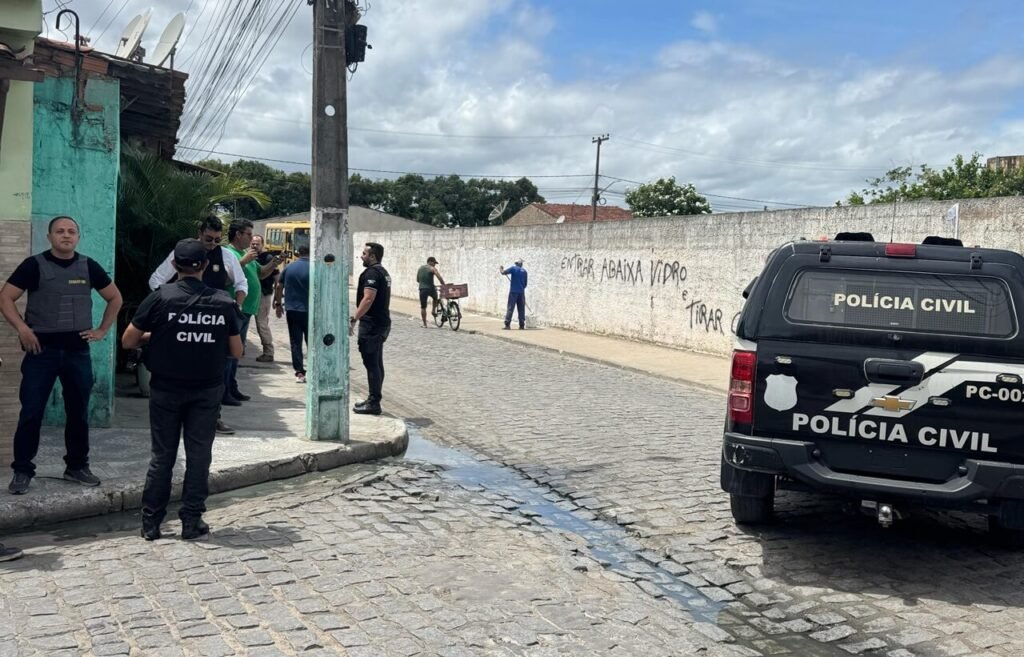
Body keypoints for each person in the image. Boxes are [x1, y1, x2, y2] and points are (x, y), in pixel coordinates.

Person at [122, 239, 242, 541]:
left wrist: (158, 335)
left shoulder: (161, 297)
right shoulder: (223, 302)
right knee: (199, 455)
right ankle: (191, 521)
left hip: (165, 389)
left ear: (174, 265)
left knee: (162, 457)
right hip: (206, 391)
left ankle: (151, 524)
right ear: (204, 266)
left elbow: (128, 340)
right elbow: (236, 351)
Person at [1, 216, 123, 495]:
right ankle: (22, 470)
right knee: (31, 412)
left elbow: (115, 298)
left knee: (78, 412)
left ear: (78, 237)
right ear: (50, 237)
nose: (66, 236)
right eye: (60, 231)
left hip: (77, 352)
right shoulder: (34, 265)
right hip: (40, 351)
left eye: (71, 232)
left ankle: (77, 466)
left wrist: (102, 330)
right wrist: (22, 328)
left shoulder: (88, 266)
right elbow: (5, 297)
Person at [148, 216, 245, 435]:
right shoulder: (180, 255)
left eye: (216, 240)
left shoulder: (226, 256)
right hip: (182, 320)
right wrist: (167, 305)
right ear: (199, 233)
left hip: (212, 322)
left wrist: (235, 307)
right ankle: (174, 417)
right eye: (208, 239)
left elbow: (241, 283)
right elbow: (156, 281)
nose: (211, 244)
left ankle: (213, 417)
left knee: (216, 370)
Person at [222, 219, 260, 406]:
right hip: (235, 309)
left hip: (247, 310)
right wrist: (243, 261)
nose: (251, 239)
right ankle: (225, 391)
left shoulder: (246, 254)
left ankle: (232, 386)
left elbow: (260, 275)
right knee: (231, 352)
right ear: (238, 234)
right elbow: (224, 279)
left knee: (237, 353)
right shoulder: (228, 254)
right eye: (248, 235)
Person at [350, 242, 391, 415]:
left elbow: (368, 299)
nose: (361, 256)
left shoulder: (373, 273)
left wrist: (354, 318)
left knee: (372, 363)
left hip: (372, 325)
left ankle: (374, 403)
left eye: (364, 253)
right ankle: (373, 399)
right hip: (381, 323)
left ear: (373, 256)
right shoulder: (383, 272)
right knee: (376, 363)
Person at [274, 244, 311, 383]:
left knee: (296, 341)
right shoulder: (315, 268)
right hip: (310, 311)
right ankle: (313, 369)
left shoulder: (289, 267)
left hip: (293, 309)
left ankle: (299, 372)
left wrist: (278, 304)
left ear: (298, 254)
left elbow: (278, 286)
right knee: (311, 341)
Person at [251, 235, 282, 362]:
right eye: (252, 243)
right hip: (250, 295)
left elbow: (277, 279)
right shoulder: (249, 257)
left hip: (263, 295)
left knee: (261, 323)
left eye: (257, 243)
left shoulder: (268, 258)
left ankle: (268, 352)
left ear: (262, 244)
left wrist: (277, 297)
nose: (254, 245)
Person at [499, 257, 528, 330]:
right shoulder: (524, 271)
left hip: (513, 292)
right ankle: (521, 325)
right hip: (521, 293)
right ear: (521, 264)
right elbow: (525, 284)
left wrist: (501, 269)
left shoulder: (513, 269)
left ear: (516, 263)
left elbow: (503, 273)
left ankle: (507, 324)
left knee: (510, 308)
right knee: (521, 309)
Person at [416, 256, 446, 328]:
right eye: (434, 263)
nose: (435, 264)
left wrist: (423, 282)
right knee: (435, 298)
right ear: (430, 262)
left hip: (422, 289)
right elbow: (439, 277)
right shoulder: (432, 268)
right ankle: (433, 310)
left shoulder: (420, 268)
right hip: (431, 288)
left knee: (423, 307)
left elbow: (417, 280)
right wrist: (444, 284)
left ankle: (424, 324)